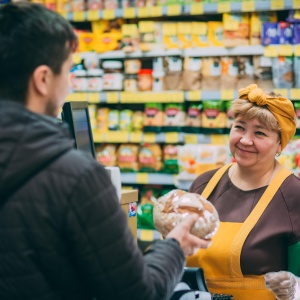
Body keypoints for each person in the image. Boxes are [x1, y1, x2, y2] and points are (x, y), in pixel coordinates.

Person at [0, 3, 210, 300]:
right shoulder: (76, 177)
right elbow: (137, 293)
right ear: (43, 79)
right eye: (67, 72)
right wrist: (174, 247)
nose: (69, 87)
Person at [186, 83, 300, 300]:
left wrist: (293, 287)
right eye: (240, 127)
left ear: (279, 144)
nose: (245, 140)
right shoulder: (203, 185)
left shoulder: (294, 195)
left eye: (259, 133)